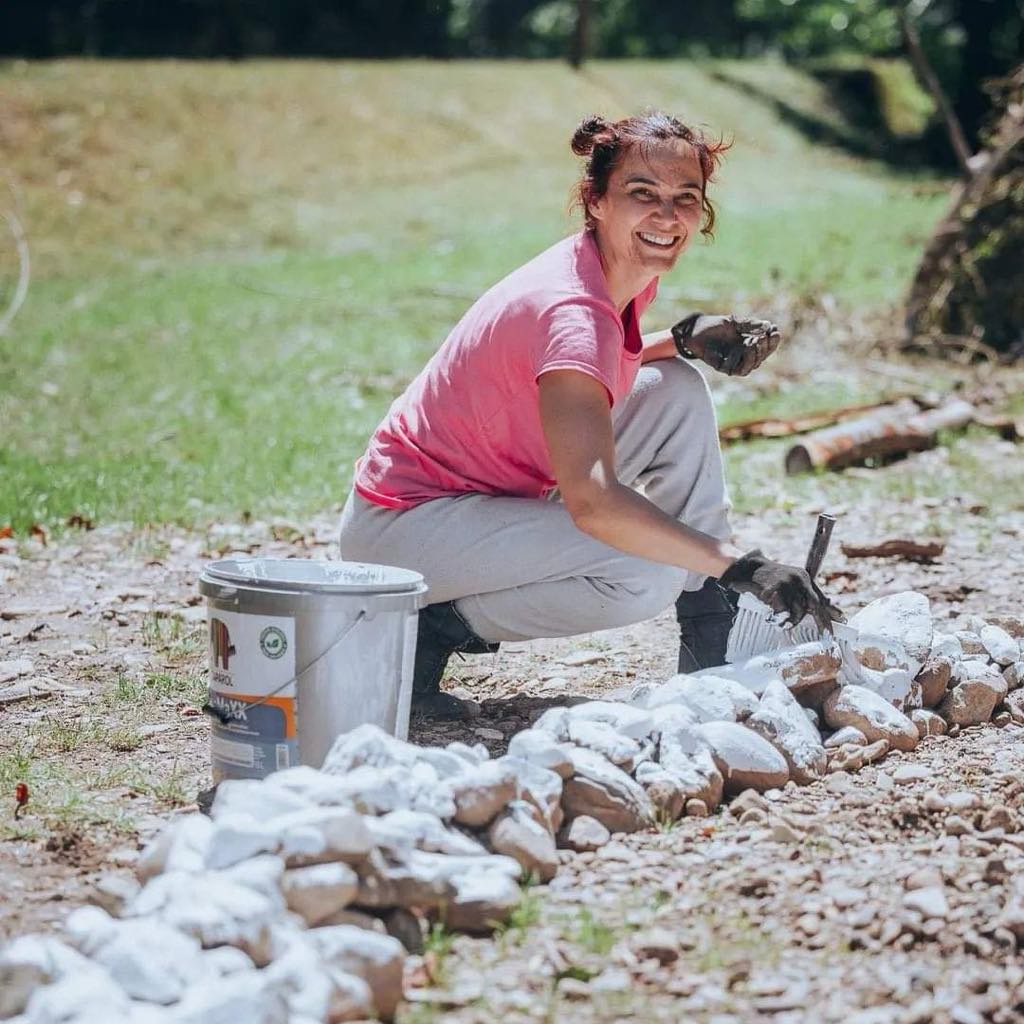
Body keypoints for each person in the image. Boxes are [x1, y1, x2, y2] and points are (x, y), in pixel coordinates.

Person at [339, 111, 841, 719]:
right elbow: (594, 502)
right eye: (642, 193)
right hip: (405, 529)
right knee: (646, 568)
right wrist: (743, 565)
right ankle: (430, 626)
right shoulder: (572, 310)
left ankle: (710, 619)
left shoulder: (614, 270)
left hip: (480, 497)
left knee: (676, 388)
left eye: (686, 197)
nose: (667, 216)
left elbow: (586, 366)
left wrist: (680, 341)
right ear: (596, 200)